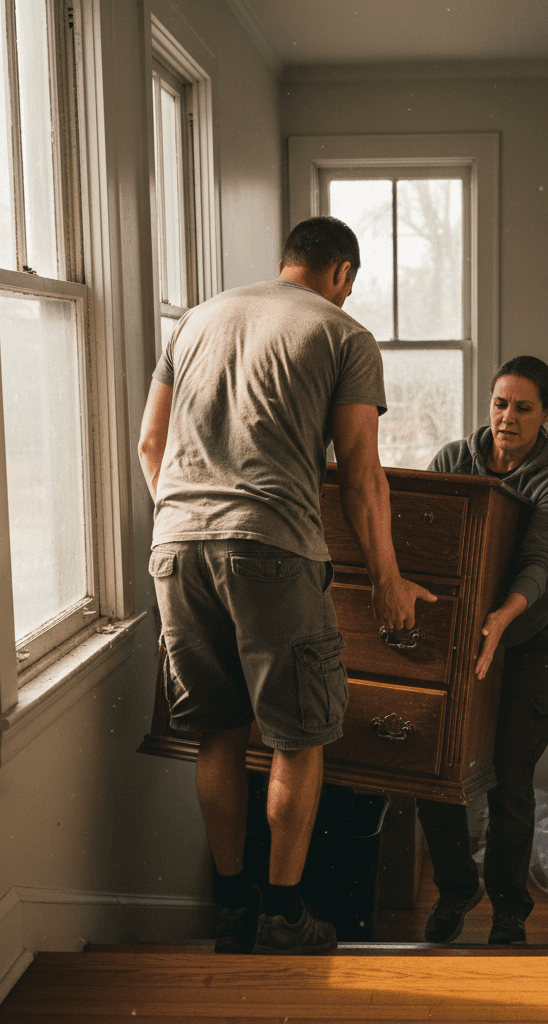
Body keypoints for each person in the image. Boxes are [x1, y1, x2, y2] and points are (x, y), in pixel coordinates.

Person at [137, 216, 435, 956]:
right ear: (342, 273)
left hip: (175, 545)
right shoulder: (343, 334)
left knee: (219, 731)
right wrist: (388, 580)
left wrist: (190, 517)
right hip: (272, 547)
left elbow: (150, 443)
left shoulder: (197, 319)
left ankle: (233, 909)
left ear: (287, 261)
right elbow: (360, 470)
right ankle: (283, 915)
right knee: (299, 737)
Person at [415, 355, 548, 946]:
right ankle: (457, 889)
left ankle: (510, 910)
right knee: (436, 773)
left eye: (524, 408)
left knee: (511, 783)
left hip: (523, 645)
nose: (507, 417)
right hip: (453, 643)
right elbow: (423, 539)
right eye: (500, 404)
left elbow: (540, 560)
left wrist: (504, 617)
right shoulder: (452, 460)